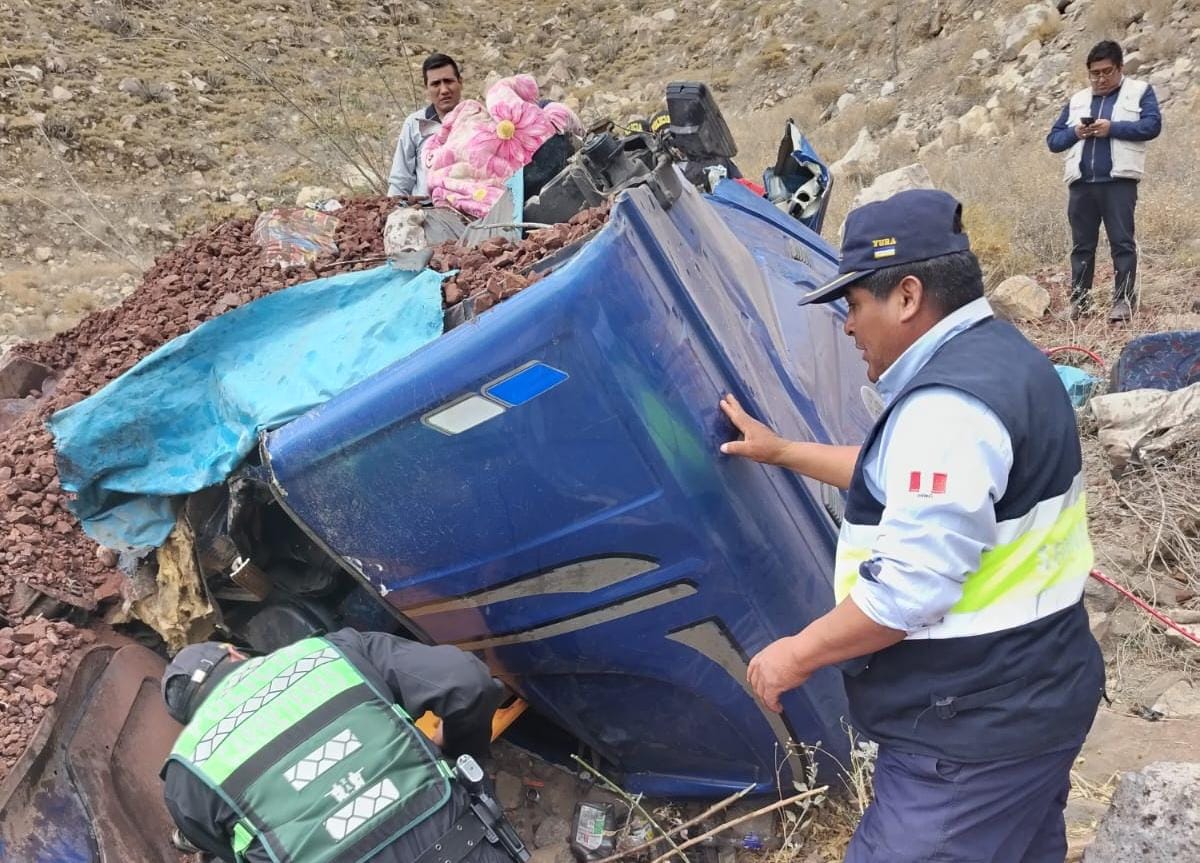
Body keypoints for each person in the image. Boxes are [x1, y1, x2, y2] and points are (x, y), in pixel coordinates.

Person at [720, 189, 1104, 862]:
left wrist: (794, 653)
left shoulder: (949, 408)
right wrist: (782, 451)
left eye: (854, 304)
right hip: (1038, 691)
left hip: (969, 735)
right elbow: (913, 482)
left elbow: (904, 594)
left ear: (905, 296)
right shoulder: (1002, 359)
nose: (847, 326)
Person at [160, 628, 528, 863]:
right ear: (234, 651)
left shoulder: (189, 772)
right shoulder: (333, 653)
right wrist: (460, 753)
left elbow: (231, 852)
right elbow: (467, 682)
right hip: (466, 849)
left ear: (192, 720)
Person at [1046, 40, 1162, 322]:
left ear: (1120, 68)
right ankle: (1080, 303)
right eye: (1094, 73)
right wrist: (1076, 133)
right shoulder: (1077, 100)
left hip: (1118, 182)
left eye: (1106, 72)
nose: (1100, 78)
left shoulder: (1140, 92)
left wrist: (1112, 129)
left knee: (1122, 243)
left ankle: (1122, 302)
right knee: (1081, 246)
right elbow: (1053, 140)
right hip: (1082, 184)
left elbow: (1152, 126)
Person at [387, 53, 465, 198]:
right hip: (425, 212)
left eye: (449, 81)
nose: (444, 90)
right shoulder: (414, 124)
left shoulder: (477, 120)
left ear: (460, 82)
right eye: (435, 84)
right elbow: (400, 181)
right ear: (427, 88)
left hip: (470, 210)